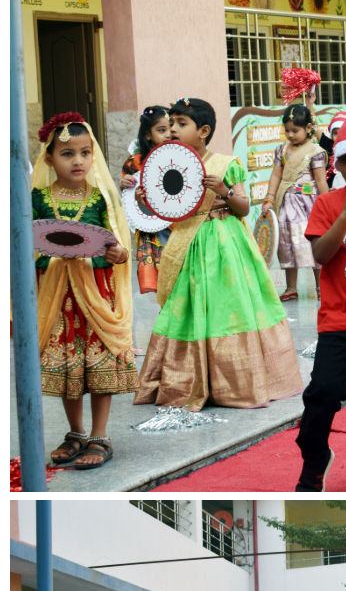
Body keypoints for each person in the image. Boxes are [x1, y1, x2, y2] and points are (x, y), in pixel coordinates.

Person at [134, 97, 303, 411]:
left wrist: (224, 192)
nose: (172, 130)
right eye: (170, 125)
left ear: (203, 131)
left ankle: (233, 382)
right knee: (190, 305)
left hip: (224, 245)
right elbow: (169, 211)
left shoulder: (225, 164)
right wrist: (147, 201)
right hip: (187, 245)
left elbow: (244, 207)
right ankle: (190, 379)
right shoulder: (169, 165)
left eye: (181, 124)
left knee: (228, 304)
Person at [34, 113, 136, 472]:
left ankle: (100, 435)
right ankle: (75, 433)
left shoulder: (100, 199)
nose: (78, 161)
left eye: (85, 152)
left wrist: (119, 254)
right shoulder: (37, 198)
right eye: (67, 154)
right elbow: (25, 243)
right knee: (68, 363)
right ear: (49, 159)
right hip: (57, 295)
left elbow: (117, 244)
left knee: (97, 359)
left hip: (95, 293)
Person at [266, 102, 326, 302]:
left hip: (309, 205)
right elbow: (276, 176)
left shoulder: (315, 151)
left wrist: (327, 204)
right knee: (287, 245)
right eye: (287, 130)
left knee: (314, 244)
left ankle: (321, 286)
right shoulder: (281, 150)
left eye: (295, 130)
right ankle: (291, 288)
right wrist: (270, 197)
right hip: (285, 204)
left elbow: (320, 180)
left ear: (308, 128)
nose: (290, 135)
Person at [121, 105, 174, 295]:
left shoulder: (182, 157)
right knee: (163, 283)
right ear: (147, 134)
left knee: (182, 277)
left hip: (178, 225)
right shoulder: (135, 163)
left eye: (171, 127)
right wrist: (124, 185)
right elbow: (127, 198)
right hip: (151, 228)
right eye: (161, 130)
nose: (168, 134)